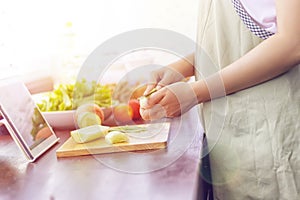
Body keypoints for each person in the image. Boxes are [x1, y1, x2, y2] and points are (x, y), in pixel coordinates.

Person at [140, 0, 300, 199]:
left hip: (275, 135)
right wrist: (184, 66)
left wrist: (195, 92)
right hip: (238, 143)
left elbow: (292, 42)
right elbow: (250, 31)